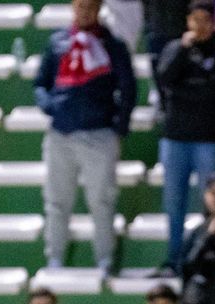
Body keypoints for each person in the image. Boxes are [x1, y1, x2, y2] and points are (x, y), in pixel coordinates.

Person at [35, 0, 137, 272]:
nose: (85, 12)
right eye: (80, 6)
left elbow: (128, 87)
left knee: (101, 201)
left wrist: (119, 127)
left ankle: (104, 258)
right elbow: (41, 82)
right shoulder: (58, 41)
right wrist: (50, 106)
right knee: (57, 200)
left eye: (90, 7)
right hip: (61, 133)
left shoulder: (111, 45)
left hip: (98, 132)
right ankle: (55, 256)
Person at [157, 0, 215, 274]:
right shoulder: (174, 47)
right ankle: (174, 259)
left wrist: (183, 91)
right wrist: (182, 50)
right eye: (195, 19)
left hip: (209, 138)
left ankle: (208, 256)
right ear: (188, 21)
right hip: (175, 138)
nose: (200, 25)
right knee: (174, 203)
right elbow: (165, 78)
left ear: (214, 21)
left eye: (206, 19)